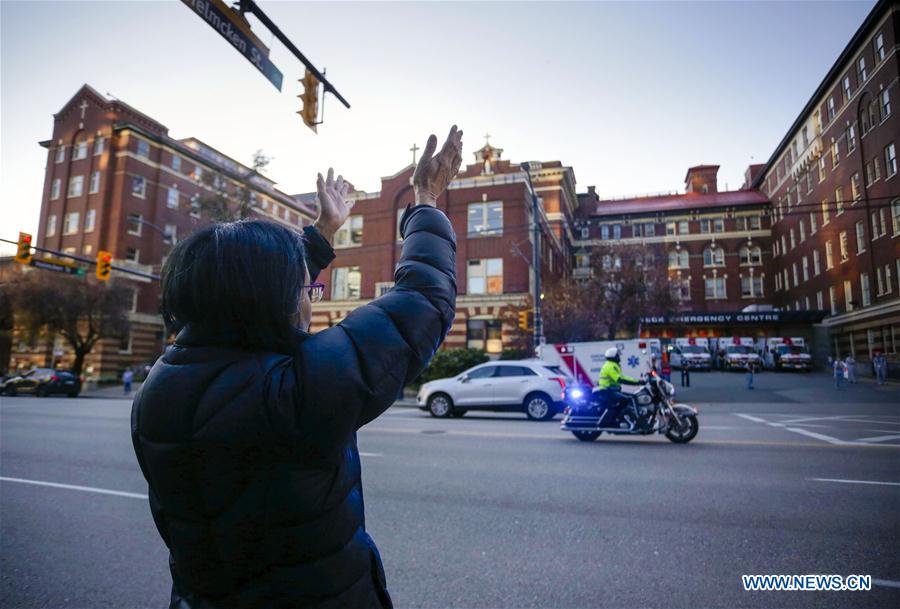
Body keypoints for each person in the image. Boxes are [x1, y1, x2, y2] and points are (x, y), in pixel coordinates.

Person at [131, 126, 463, 609]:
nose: (310, 301)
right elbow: (422, 299)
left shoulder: (159, 388)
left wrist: (323, 233)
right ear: (274, 300)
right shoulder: (289, 394)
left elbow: (247, 288)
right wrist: (427, 198)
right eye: (307, 291)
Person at [597, 347, 642, 424]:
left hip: (610, 390)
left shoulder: (612, 365)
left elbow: (622, 377)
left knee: (629, 398)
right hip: (608, 391)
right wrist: (637, 382)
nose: (619, 357)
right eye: (618, 355)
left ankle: (620, 417)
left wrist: (637, 381)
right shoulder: (611, 366)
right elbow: (619, 379)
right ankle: (633, 419)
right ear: (613, 356)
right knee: (630, 398)